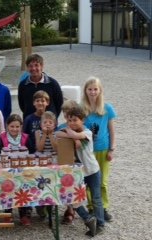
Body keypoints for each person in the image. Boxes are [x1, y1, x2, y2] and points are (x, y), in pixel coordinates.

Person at [56, 106, 105, 237]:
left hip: (92, 171)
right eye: (70, 120)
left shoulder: (88, 132)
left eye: (75, 120)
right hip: (79, 173)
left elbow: (77, 134)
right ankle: (88, 219)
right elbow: (57, 134)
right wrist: (72, 137)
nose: (72, 123)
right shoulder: (70, 131)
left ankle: (100, 223)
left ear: (82, 120)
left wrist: (74, 136)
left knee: (96, 198)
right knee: (73, 198)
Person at [82, 76, 117, 222]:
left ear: (100, 90)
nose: (92, 92)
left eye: (95, 89)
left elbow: (111, 130)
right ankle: (92, 207)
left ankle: (103, 207)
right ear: (86, 91)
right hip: (88, 151)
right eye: (90, 89)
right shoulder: (82, 109)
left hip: (103, 149)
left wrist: (112, 149)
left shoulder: (107, 108)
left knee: (102, 181)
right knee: (89, 181)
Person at [0, 114, 33, 225]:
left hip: (23, 171)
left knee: (23, 190)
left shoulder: (26, 138)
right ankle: (8, 213)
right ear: (7, 126)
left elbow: (32, 153)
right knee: (7, 189)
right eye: (12, 126)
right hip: (7, 171)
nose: (14, 129)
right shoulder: (2, 138)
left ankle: (24, 214)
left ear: (21, 127)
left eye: (17, 126)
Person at [18, 53, 63, 120]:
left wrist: (53, 118)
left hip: (49, 123)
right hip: (30, 123)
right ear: (27, 67)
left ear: (42, 66)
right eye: (30, 66)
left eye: (36, 65)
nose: (33, 68)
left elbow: (59, 103)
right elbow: (22, 105)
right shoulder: (23, 85)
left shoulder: (52, 83)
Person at [57, 99, 79, 224]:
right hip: (65, 161)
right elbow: (57, 135)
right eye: (64, 112)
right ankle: (69, 209)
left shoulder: (80, 127)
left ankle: (77, 209)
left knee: (77, 186)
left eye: (69, 111)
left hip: (78, 160)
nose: (66, 114)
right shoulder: (61, 127)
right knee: (66, 186)